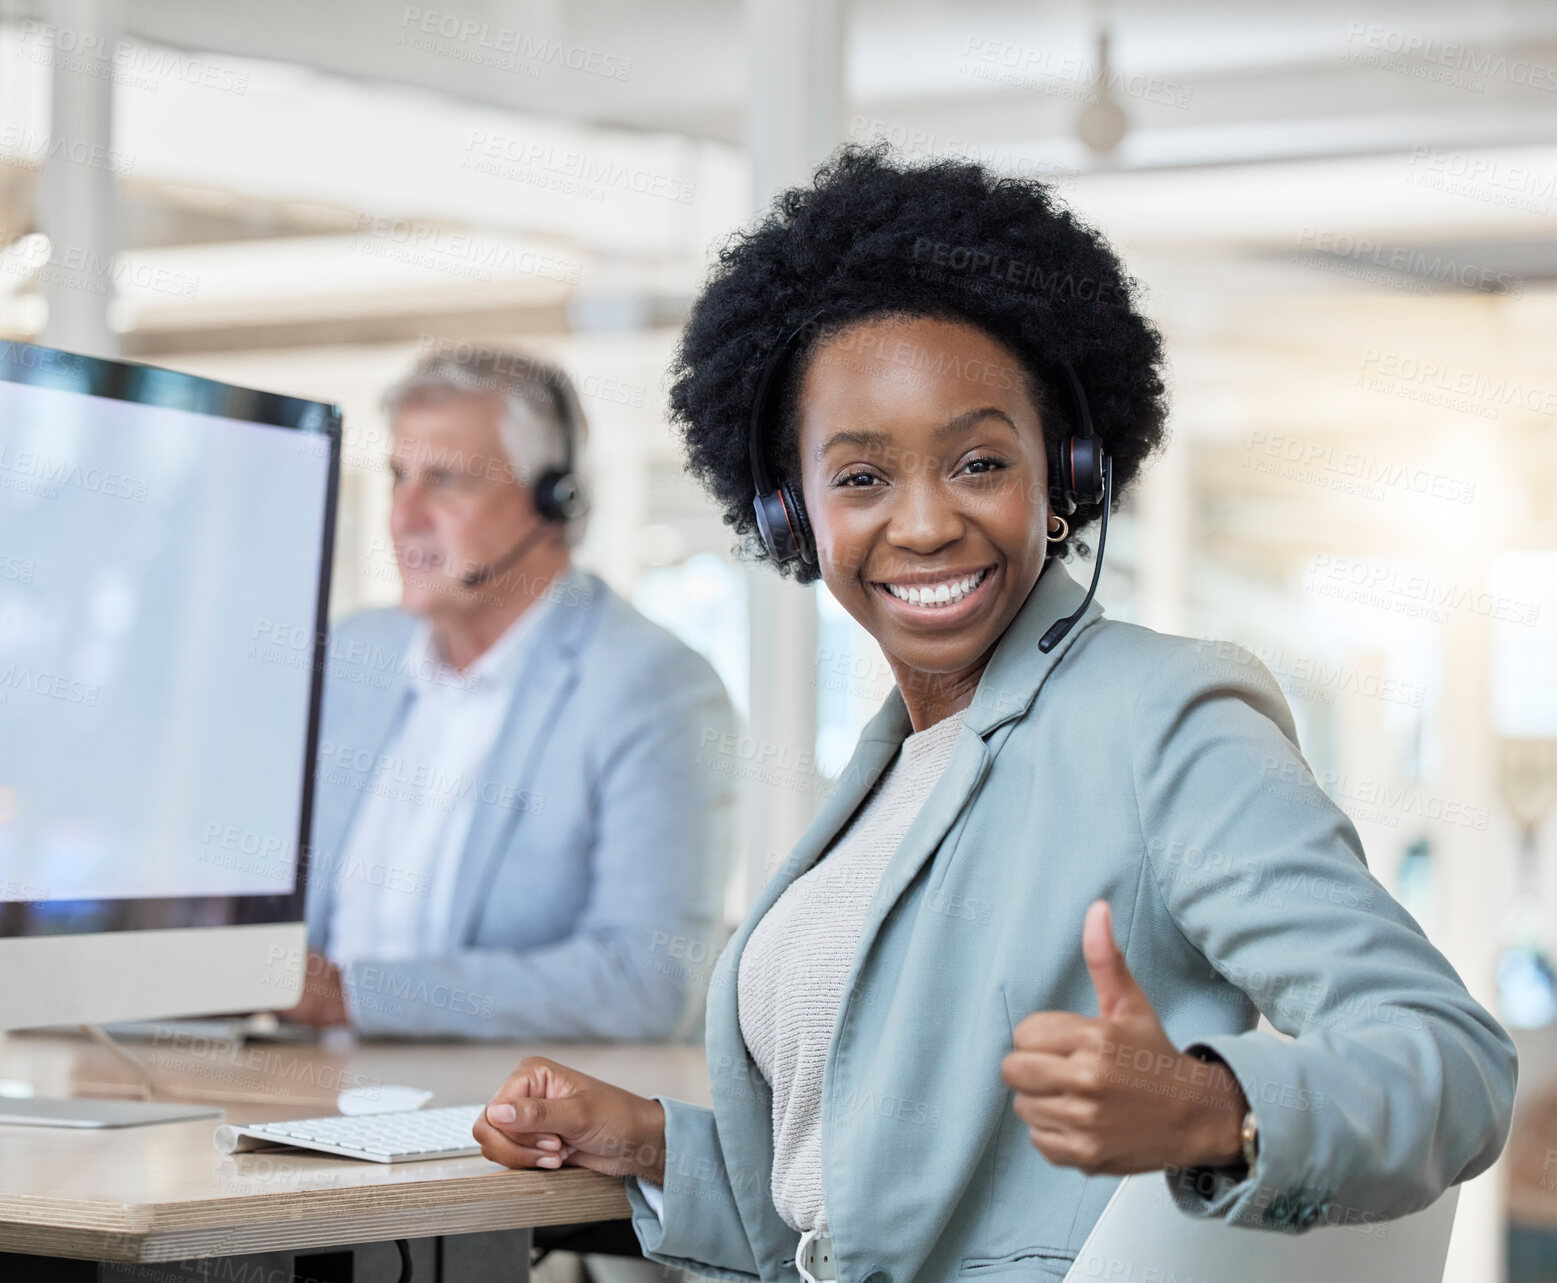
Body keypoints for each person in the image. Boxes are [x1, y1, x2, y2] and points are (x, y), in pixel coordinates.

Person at [470, 145, 1518, 1280]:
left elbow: (1451, 1062)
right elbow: (860, 1213)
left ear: (1064, 473)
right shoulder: (888, 771)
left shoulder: (1161, 718)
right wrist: (653, 1141)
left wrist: (1214, 1104)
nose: (922, 524)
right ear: (790, 513)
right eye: (862, 477)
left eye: (977, 461)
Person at [281, 347, 736, 1040]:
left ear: (552, 500)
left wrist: (356, 995)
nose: (403, 515)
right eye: (400, 476)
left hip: (499, 1125)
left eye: (446, 481)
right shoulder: (349, 655)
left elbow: (645, 981)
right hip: (296, 1086)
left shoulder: (652, 687)